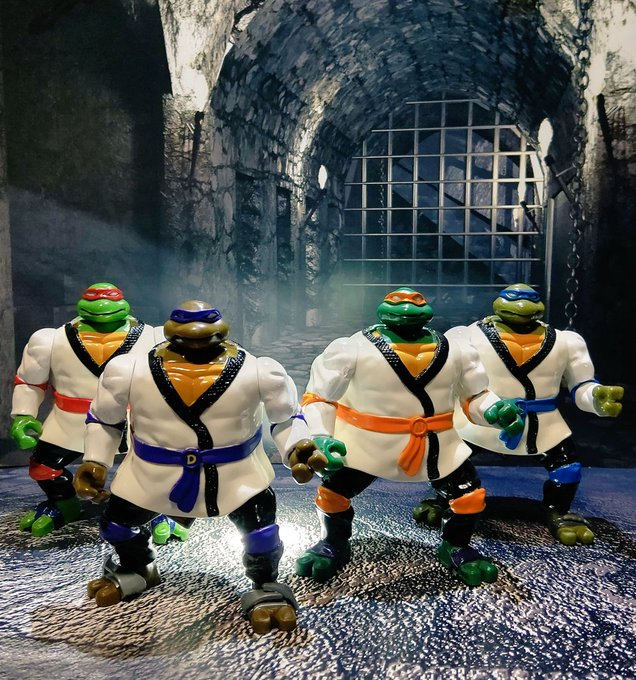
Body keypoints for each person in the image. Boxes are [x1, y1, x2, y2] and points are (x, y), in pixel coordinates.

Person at [74, 300, 323, 633]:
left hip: (237, 477)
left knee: (261, 535)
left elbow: (286, 419)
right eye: (186, 338)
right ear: (170, 334)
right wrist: (95, 460)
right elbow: (105, 419)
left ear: (221, 334)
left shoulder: (259, 371)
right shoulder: (129, 370)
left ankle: (265, 586)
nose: (195, 344)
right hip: (151, 475)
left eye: (204, 337)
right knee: (116, 526)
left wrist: (297, 448)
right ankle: (138, 567)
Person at [297, 287, 523, 587]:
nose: (408, 307)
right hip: (366, 443)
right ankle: (332, 543)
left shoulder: (457, 351)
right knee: (333, 493)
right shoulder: (351, 349)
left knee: (468, 495)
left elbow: (475, 396)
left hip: (437, 443)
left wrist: (494, 410)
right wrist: (322, 436)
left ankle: (456, 545)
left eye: (416, 302)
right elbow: (319, 398)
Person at [441, 283, 623, 545]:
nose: (521, 304)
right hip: (483, 417)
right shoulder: (467, 336)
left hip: (543, 423)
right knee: (448, 460)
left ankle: (559, 512)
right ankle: (444, 502)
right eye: (513, 297)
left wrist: (596, 396)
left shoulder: (566, 342)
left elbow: (581, 386)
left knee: (567, 468)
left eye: (529, 299)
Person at [10, 282, 159, 537]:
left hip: (131, 420)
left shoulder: (154, 338)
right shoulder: (51, 340)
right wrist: (23, 415)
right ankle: (63, 503)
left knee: (159, 467)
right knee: (43, 467)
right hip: (70, 420)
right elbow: (30, 382)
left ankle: (161, 509)